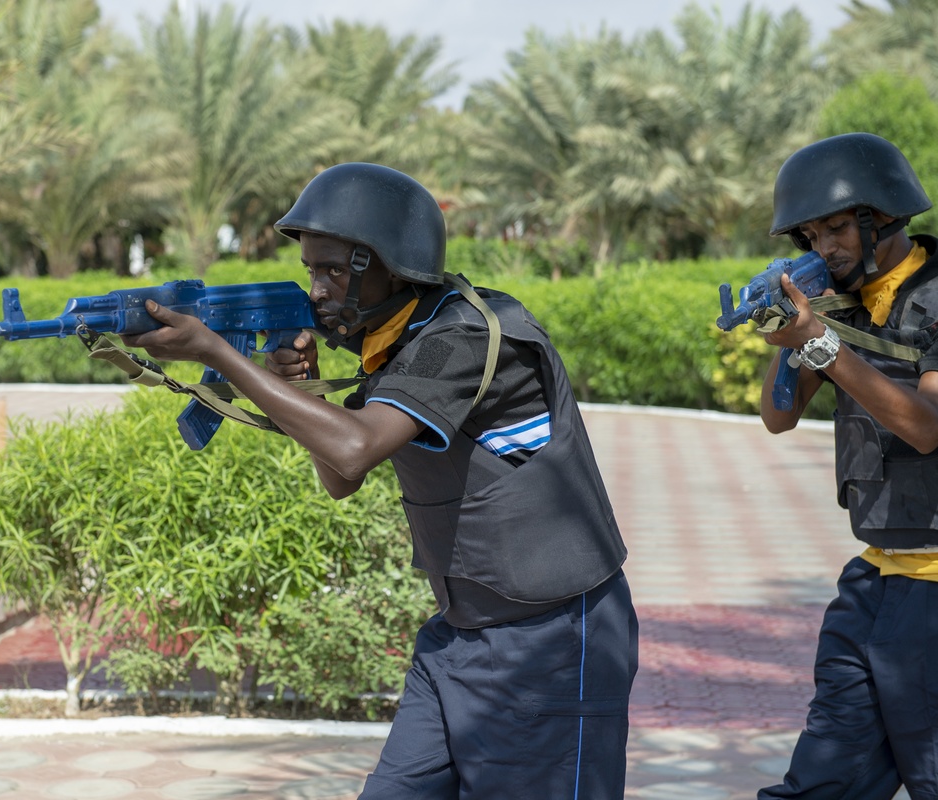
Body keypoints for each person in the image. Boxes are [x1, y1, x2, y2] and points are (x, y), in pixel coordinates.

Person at [122, 162, 638, 799]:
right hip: (462, 636)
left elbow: (356, 448)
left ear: (390, 266)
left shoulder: (463, 337)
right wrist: (296, 386)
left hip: (551, 643)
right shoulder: (401, 342)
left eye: (334, 271)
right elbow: (341, 475)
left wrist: (216, 353)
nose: (317, 290)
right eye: (311, 269)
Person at [754, 133, 938, 799]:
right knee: (821, 783)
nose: (825, 246)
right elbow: (779, 418)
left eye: (836, 227)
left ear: (883, 215)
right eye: (811, 233)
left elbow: (925, 429)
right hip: (875, 580)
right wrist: (793, 332)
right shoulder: (843, 304)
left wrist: (822, 342)